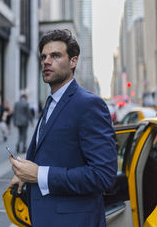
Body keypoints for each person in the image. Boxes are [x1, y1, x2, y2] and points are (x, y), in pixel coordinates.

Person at [9, 30, 117, 227]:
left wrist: (40, 174)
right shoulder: (51, 102)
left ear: (73, 61)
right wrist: (25, 174)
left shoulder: (89, 105)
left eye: (55, 55)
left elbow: (103, 175)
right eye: (43, 56)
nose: (46, 61)